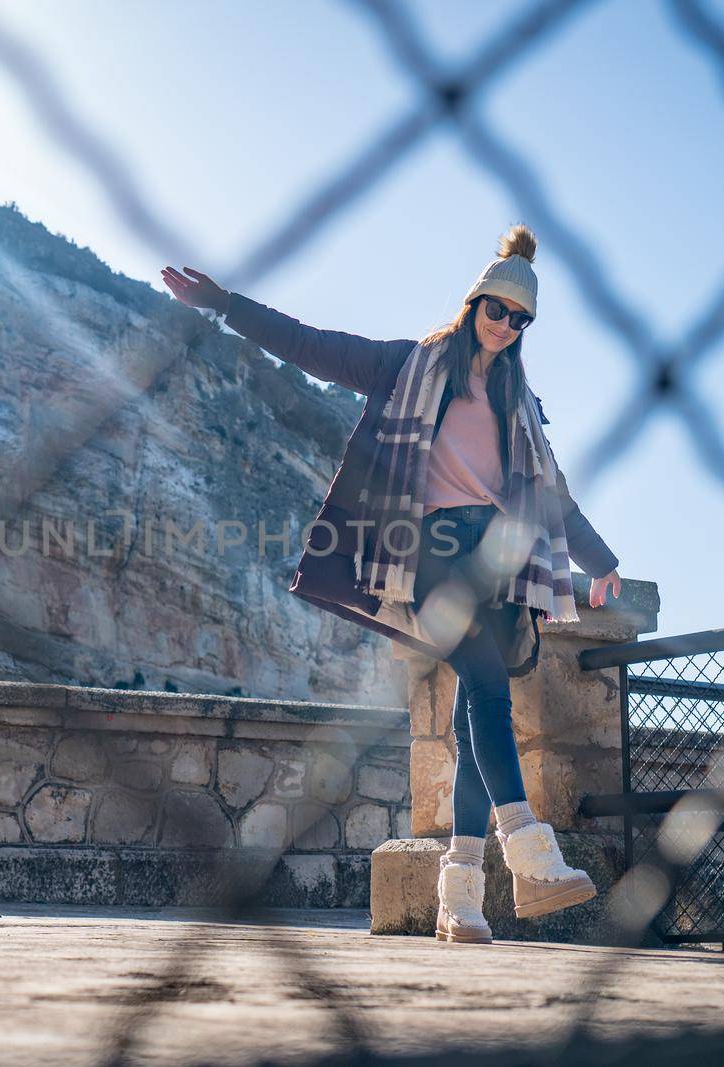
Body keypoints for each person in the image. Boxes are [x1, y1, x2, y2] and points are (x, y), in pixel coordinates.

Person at [160, 224, 622, 943]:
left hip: (494, 558)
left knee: (480, 716)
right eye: (498, 310)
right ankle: (531, 855)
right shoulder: (408, 366)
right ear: (474, 304)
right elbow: (310, 344)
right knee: (488, 687)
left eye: (522, 320)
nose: (507, 327)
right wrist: (225, 304)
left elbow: (552, 491)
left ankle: (460, 900)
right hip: (431, 547)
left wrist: (602, 560)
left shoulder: (518, 403)